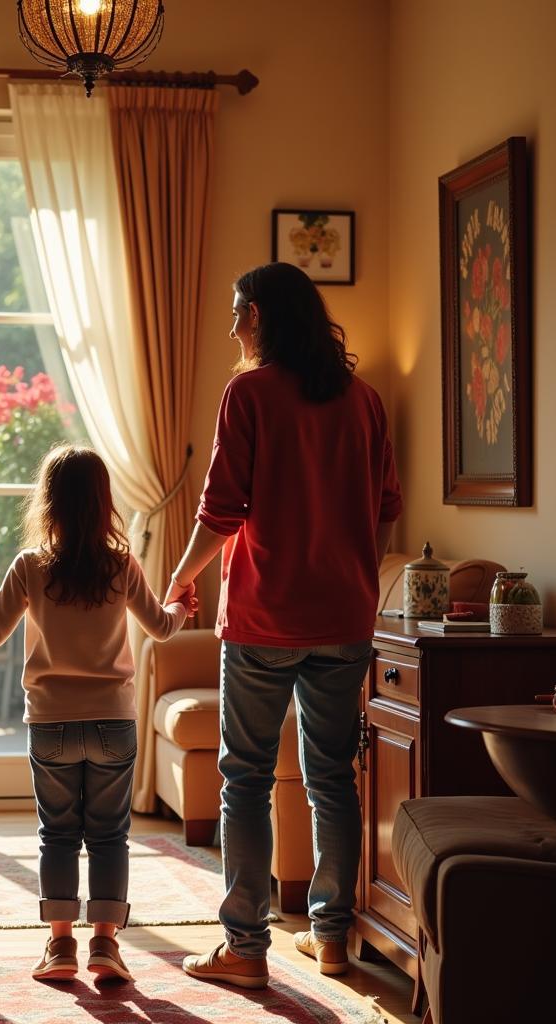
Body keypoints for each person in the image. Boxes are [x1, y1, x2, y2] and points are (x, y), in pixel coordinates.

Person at [172, 262, 402, 989]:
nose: (232, 324)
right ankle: (331, 938)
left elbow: (221, 509)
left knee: (243, 779)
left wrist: (182, 574)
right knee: (333, 780)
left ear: (264, 315)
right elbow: (387, 504)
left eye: (239, 310)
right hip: (345, 617)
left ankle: (245, 947)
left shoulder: (248, 393)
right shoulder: (363, 401)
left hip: (266, 619)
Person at [0, 444, 196, 983]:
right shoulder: (121, 564)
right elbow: (161, 627)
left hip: (51, 722)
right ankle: (105, 948)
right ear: (102, 502)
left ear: (49, 504)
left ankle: (60, 948)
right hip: (113, 721)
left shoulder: (30, 566)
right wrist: (181, 606)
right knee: (109, 836)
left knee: (57, 835)